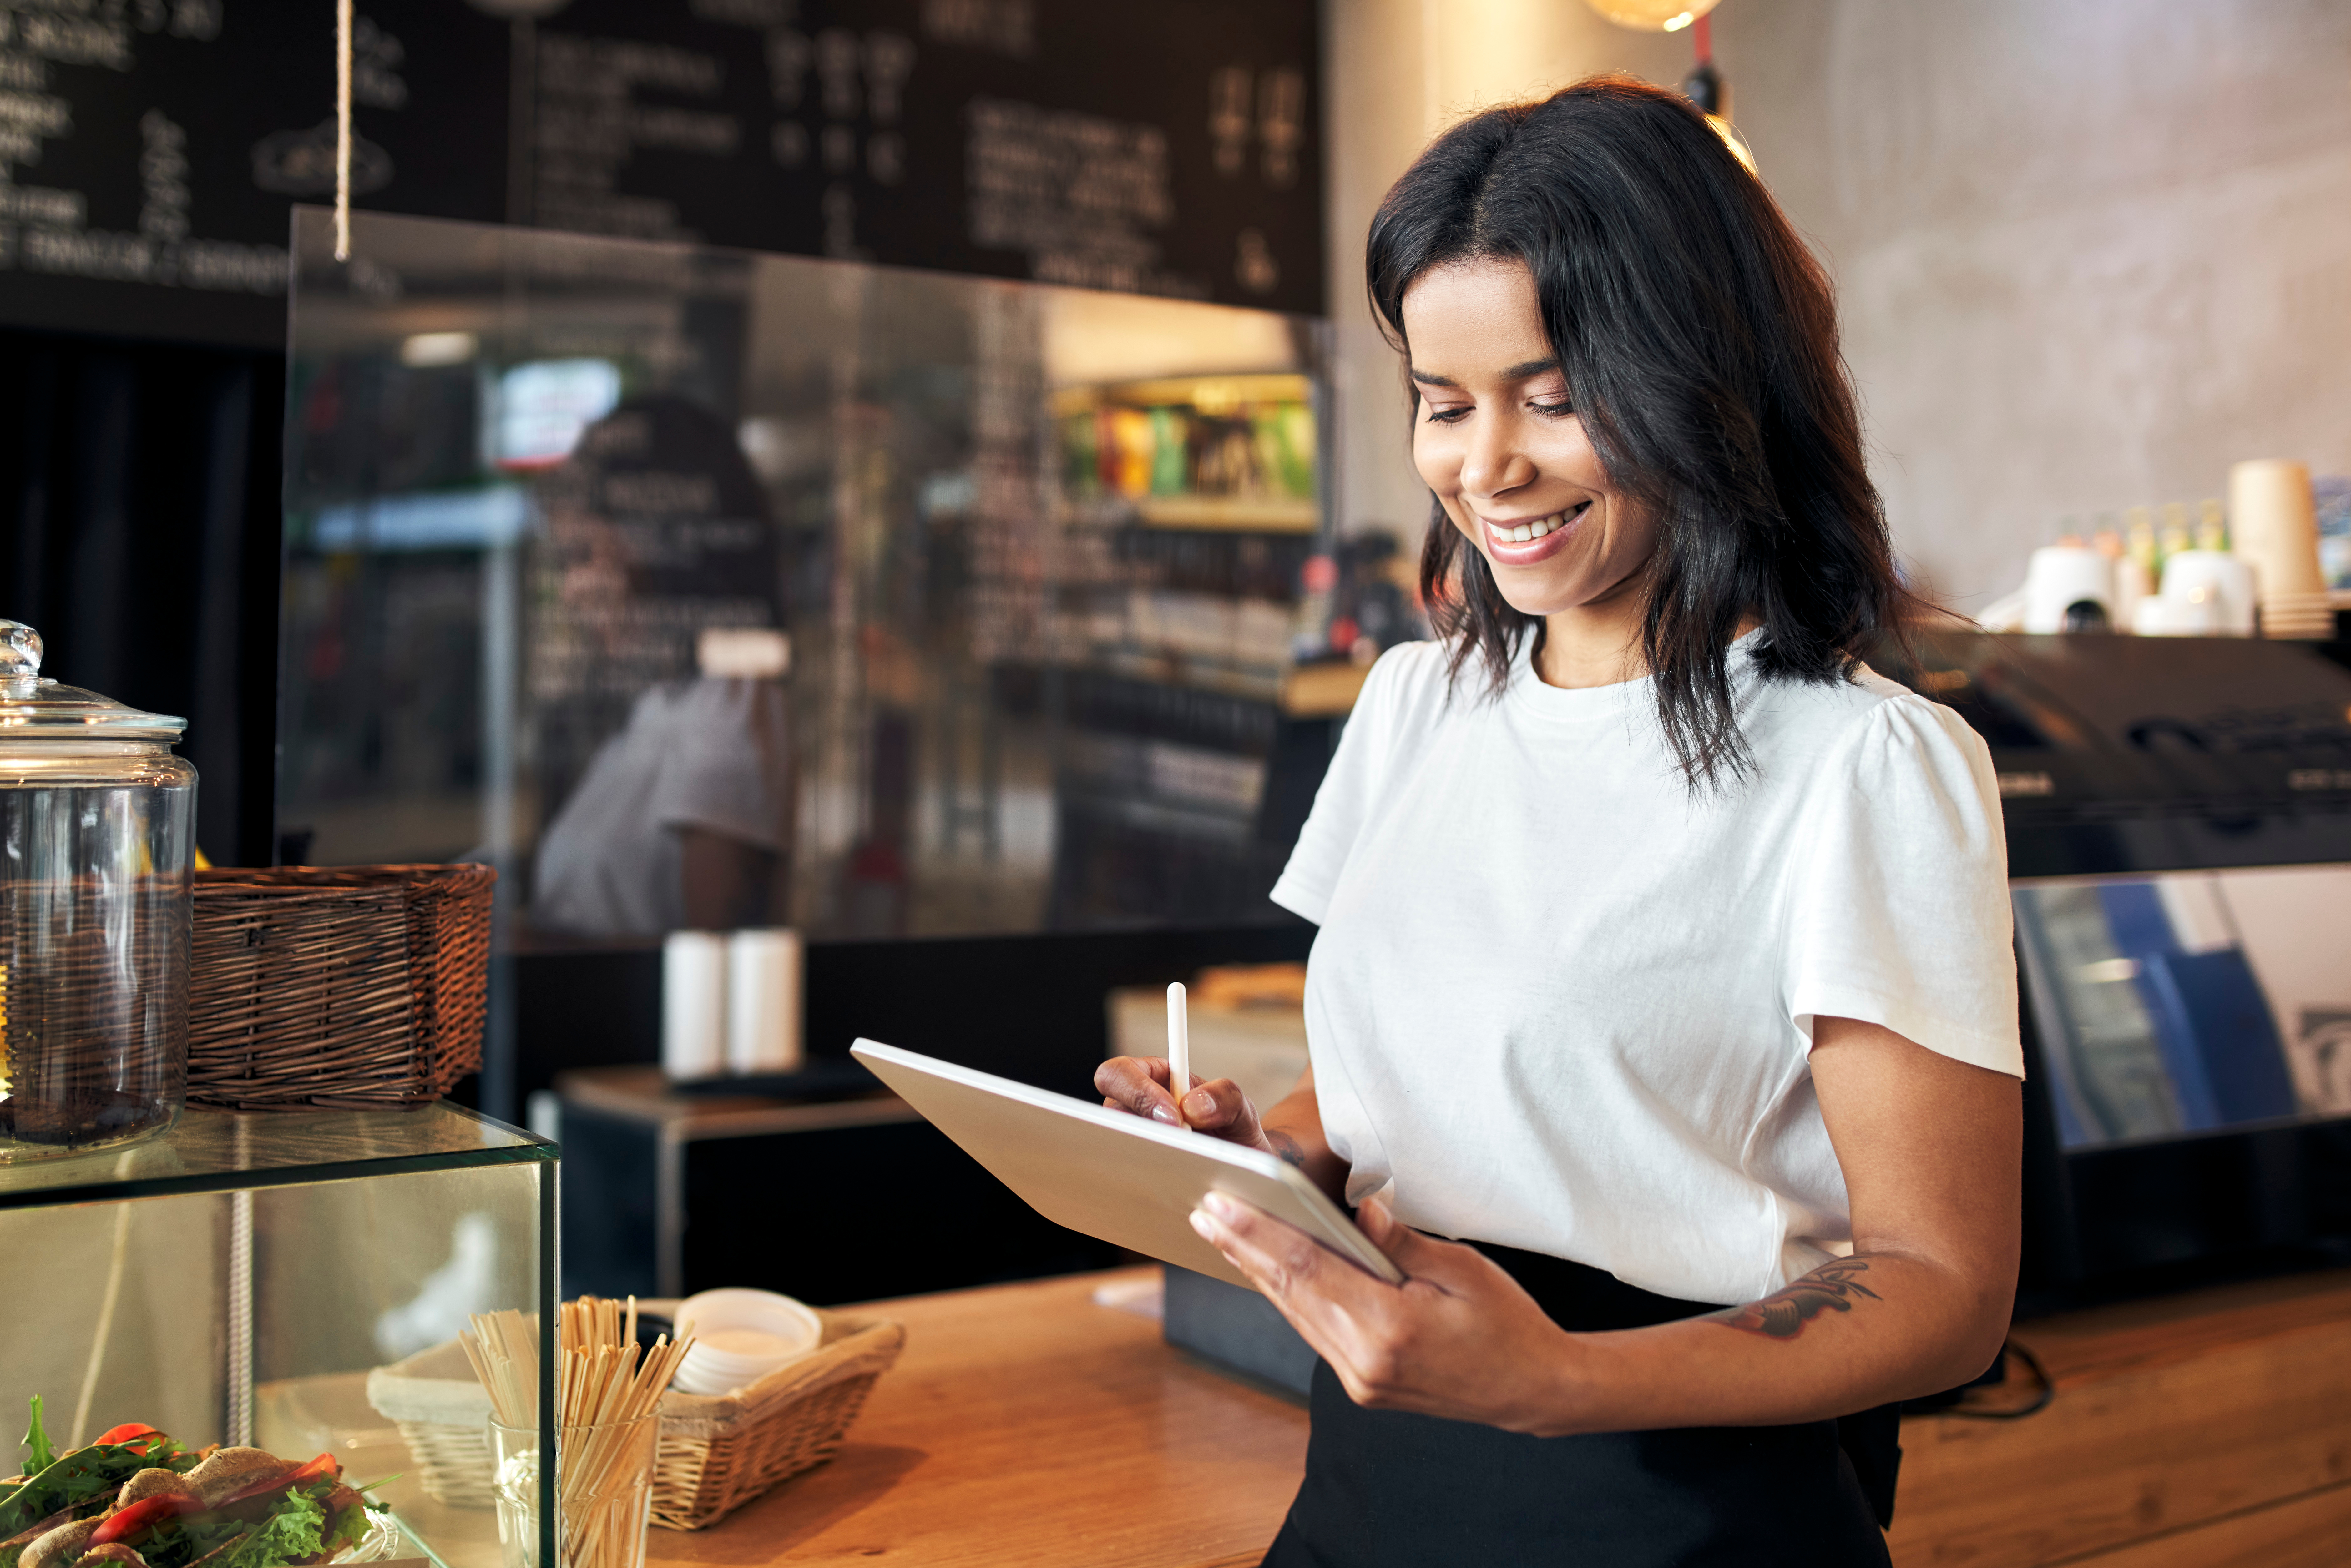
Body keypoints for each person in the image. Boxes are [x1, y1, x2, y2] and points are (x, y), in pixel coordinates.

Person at [1097, 78, 2021, 1565]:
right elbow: (1399, 1092)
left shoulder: (1865, 765)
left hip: (1679, 1502)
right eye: (1443, 406)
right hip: (1371, 1479)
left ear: (1703, 380)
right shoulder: (1412, 705)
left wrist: (1564, 1382)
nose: (1486, 468)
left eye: (1553, 396)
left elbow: (1945, 1283)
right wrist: (1251, 1156)